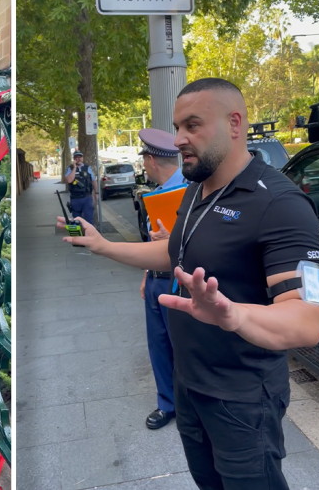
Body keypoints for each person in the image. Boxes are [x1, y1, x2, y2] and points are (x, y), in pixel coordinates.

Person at [58, 78, 319, 489]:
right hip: (190, 385)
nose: (179, 138)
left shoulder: (280, 204)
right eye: (177, 126)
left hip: (242, 399)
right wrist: (104, 246)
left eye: (192, 125)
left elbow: (308, 321)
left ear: (234, 123)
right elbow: (174, 255)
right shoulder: (198, 188)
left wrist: (232, 314)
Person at [136, 127, 186, 430]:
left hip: (179, 280)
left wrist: (173, 242)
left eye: (144, 160)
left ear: (152, 159)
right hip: (156, 278)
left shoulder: (191, 190)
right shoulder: (154, 196)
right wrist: (146, 274)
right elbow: (152, 242)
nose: (143, 165)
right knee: (158, 344)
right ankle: (167, 404)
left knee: (183, 345)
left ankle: (191, 404)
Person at [64, 150, 98, 223]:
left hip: (87, 197)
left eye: (80, 157)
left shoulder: (87, 168)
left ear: (82, 158)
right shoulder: (70, 168)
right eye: (76, 157)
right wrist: (74, 168)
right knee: (77, 220)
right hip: (75, 198)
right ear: (74, 159)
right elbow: (69, 180)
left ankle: (90, 234)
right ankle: (80, 234)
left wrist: (96, 193)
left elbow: (93, 181)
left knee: (89, 219)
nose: (78, 159)